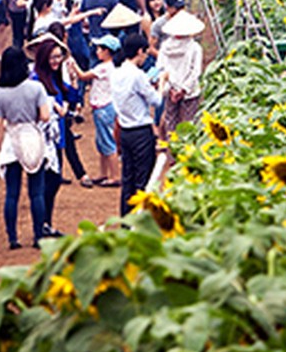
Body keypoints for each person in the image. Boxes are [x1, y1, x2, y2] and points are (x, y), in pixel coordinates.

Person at [0, 47, 54, 250]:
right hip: (32, 136)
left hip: (12, 140)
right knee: (36, 192)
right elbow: (45, 116)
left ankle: (13, 238)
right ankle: (37, 236)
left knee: (12, 193)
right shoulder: (35, 88)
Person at [112, 33, 160, 212]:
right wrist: (162, 84)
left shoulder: (116, 73)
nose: (145, 57)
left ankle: (126, 219)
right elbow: (156, 101)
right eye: (145, 53)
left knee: (128, 179)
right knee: (143, 179)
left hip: (125, 131)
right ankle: (140, 221)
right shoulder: (137, 75)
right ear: (139, 51)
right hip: (141, 131)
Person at [31, 37, 75, 223]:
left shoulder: (54, 77)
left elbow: (72, 95)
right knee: (48, 184)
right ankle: (42, 225)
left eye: (58, 57)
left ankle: (46, 223)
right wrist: (54, 106)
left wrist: (72, 78)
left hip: (57, 138)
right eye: (52, 58)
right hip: (43, 139)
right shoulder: (36, 80)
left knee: (53, 183)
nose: (56, 61)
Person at [70, 34, 121, 188]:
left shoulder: (103, 68)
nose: (97, 51)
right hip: (106, 107)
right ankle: (104, 173)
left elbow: (83, 76)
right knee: (102, 142)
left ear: (108, 51)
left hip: (103, 108)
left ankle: (114, 176)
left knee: (107, 143)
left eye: (100, 48)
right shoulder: (111, 67)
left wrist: (73, 64)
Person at [157, 12, 204, 142]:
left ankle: (172, 156)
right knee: (189, 124)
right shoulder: (194, 47)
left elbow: (161, 69)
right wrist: (183, 90)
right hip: (189, 93)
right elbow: (196, 72)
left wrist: (171, 89)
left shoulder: (165, 47)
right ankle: (187, 155)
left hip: (170, 90)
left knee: (171, 123)